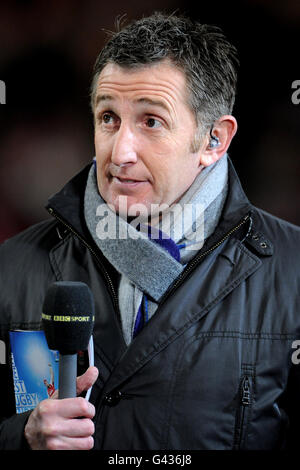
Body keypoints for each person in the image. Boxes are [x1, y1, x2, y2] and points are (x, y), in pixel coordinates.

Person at [0, 12, 299, 451]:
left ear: (215, 139)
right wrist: (20, 437)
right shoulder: (13, 264)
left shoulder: (292, 270)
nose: (119, 151)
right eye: (108, 118)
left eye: (150, 122)